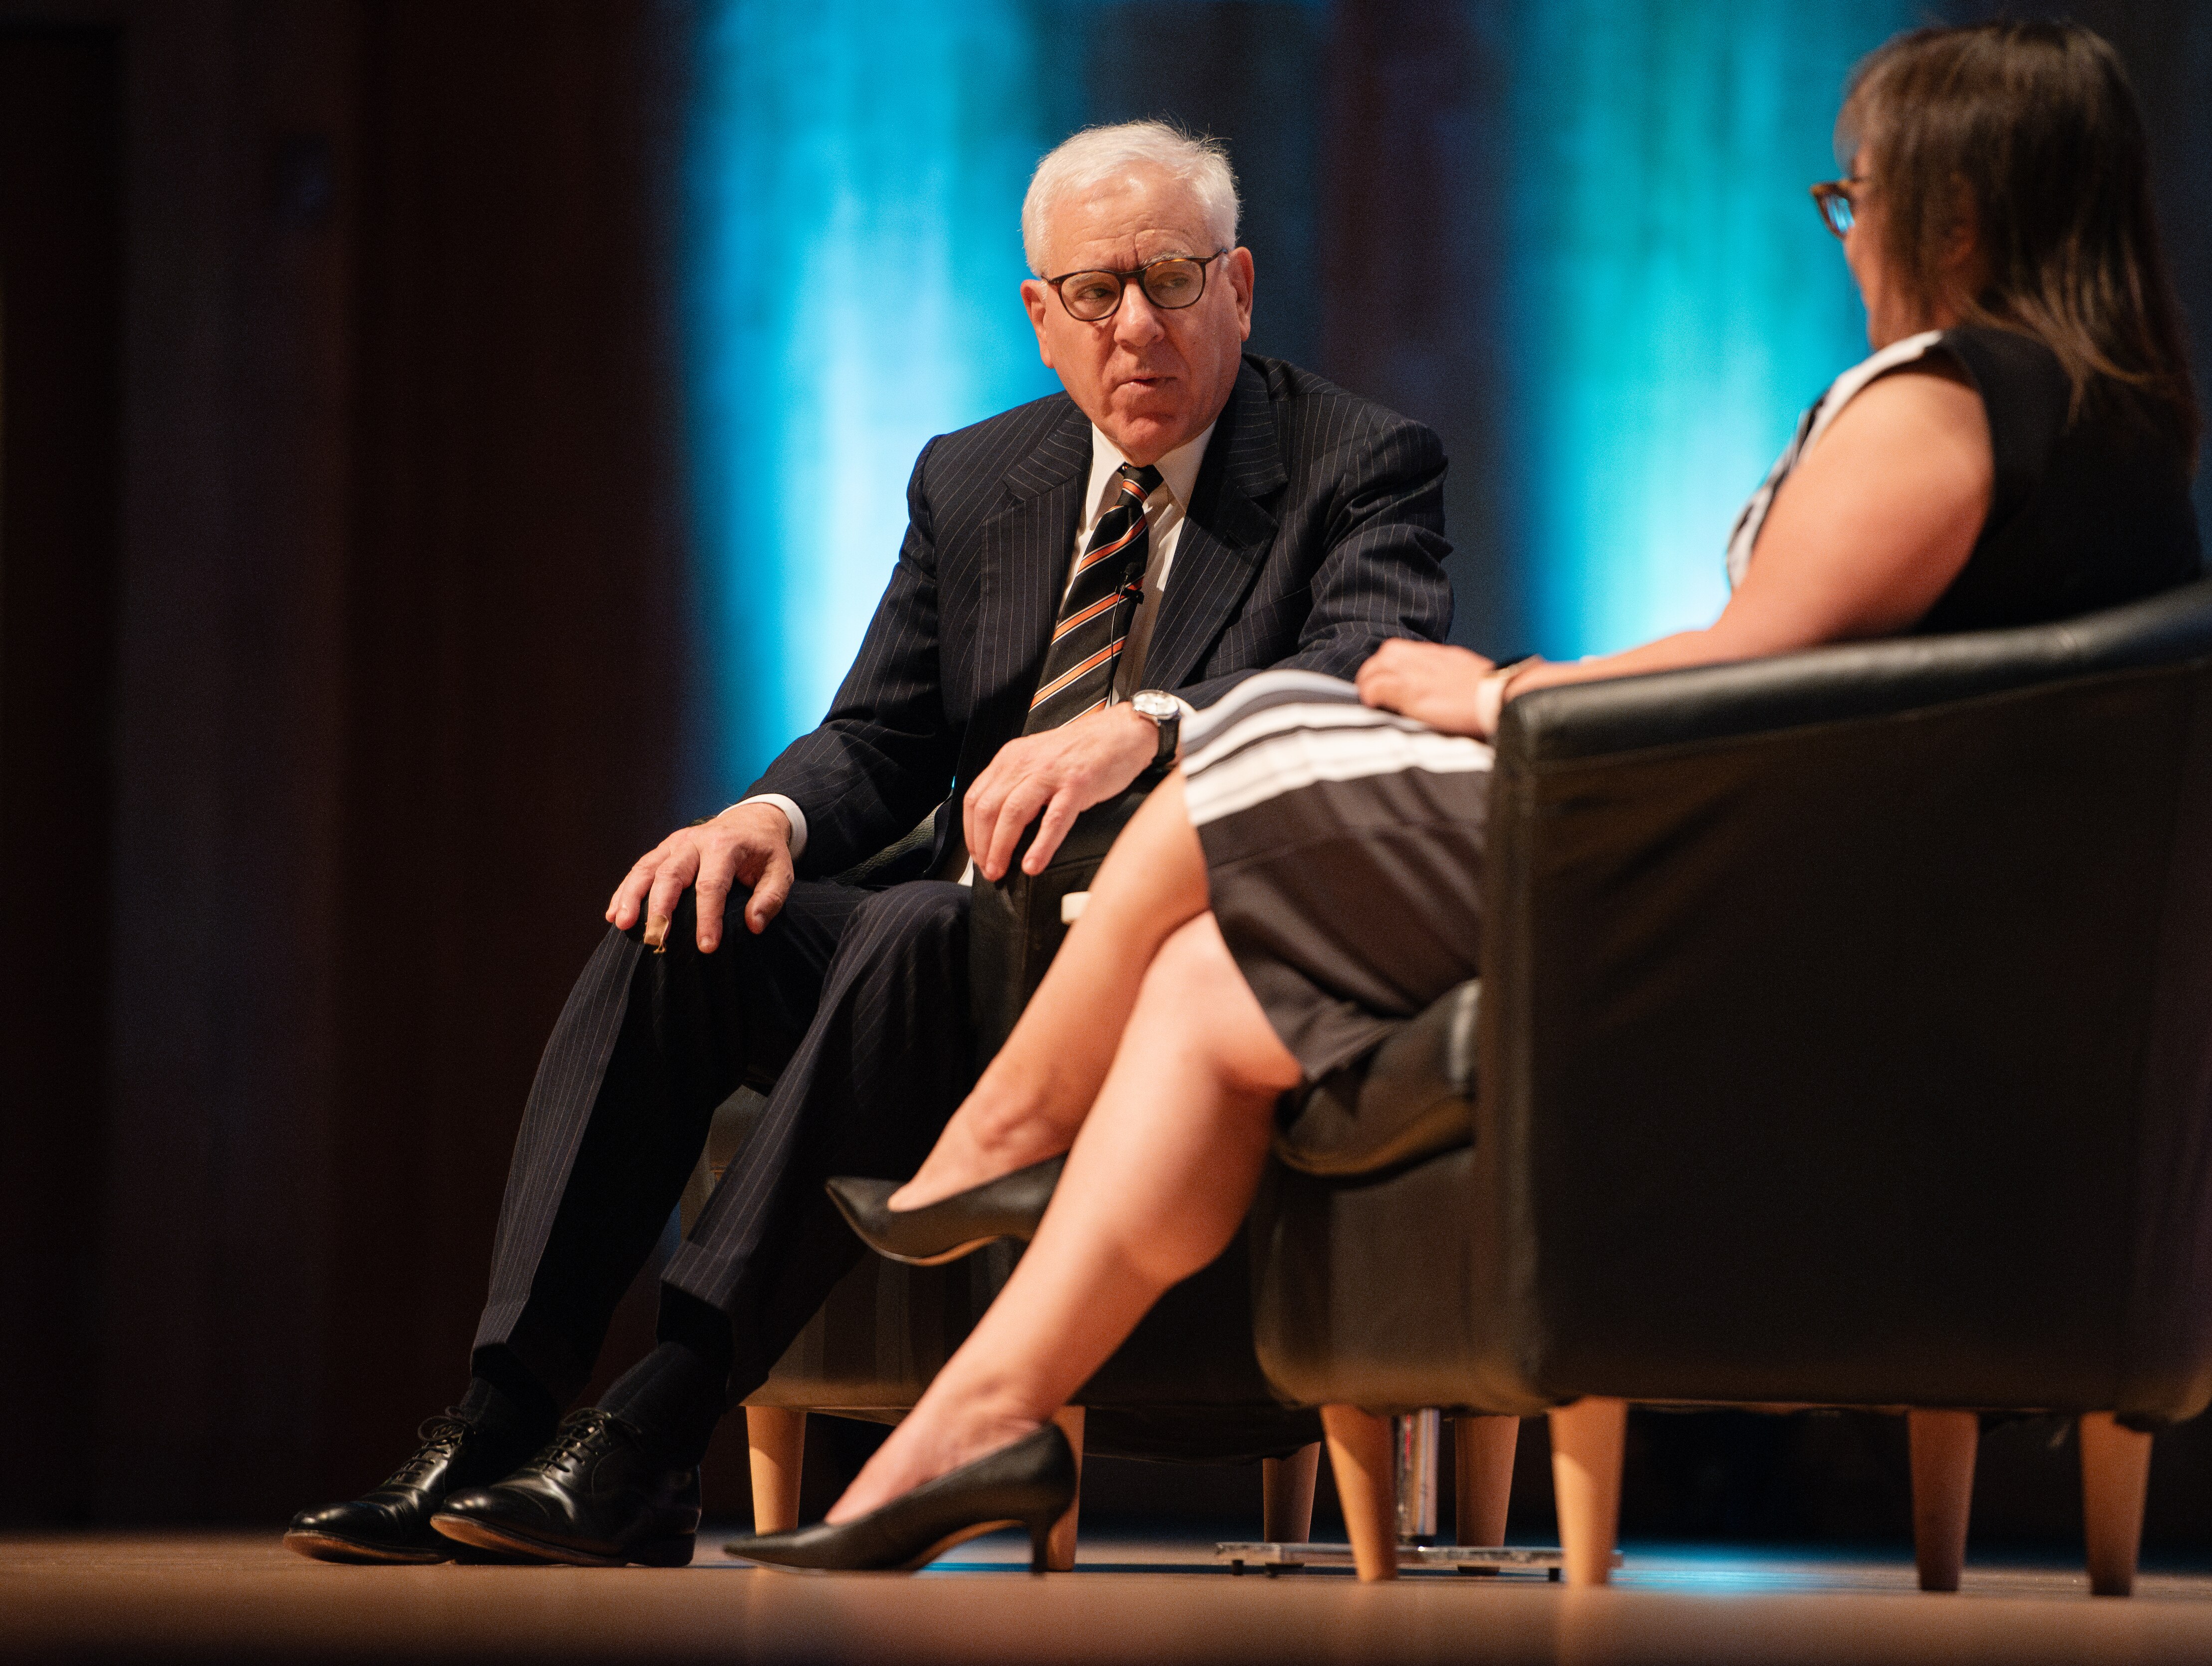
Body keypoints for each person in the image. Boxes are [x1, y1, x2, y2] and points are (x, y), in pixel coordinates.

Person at [739, 19, 2206, 1573]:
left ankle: (1003, 1133)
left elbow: (1746, 691)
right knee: (1214, 979)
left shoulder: (1944, 404)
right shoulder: (2115, 421)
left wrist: (1498, 693)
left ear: (1957, 214)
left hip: (1738, 898)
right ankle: (984, 1417)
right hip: (1837, 885)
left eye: (1861, 200)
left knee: (1267, 735)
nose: (1854, 240)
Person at [283, 119, 1454, 1568]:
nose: (1136, 324)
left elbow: (1365, 677)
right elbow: (882, 739)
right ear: (1042, 318)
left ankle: (660, 1422)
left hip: (1160, 958)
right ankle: (501, 1408)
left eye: (1171, 277)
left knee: (910, 926)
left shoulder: (1362, 464)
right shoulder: (973, 480)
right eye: (1097, 292)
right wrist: (758, 817)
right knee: (684, 924)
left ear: (1242, 286)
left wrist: (1148, 721)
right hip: (954, 949)